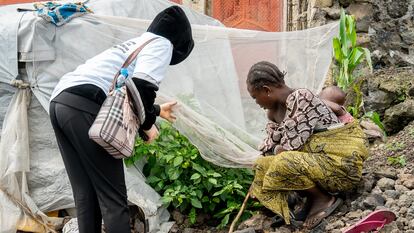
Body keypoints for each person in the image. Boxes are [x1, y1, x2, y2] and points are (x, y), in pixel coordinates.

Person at [48, 6, 194, 233]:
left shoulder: (136, 43)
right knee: (113, 198)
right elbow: (140, 87)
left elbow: (124, 94)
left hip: (61, 103)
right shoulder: (163, 43)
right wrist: (148, 126)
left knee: (86, 193)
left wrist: (154, 111)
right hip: (85, 104)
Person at [247, 61, 368, 229]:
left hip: (340, 165)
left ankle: (323, 199)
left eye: (255, 97)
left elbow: (289, 147)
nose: (257, 103)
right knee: (262, 164)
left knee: (284, 161)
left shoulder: (301, 97)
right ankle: (310, 199)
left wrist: (275, 149)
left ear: (266, 90)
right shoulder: (273, 113)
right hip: (317, 164)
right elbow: (269, 149)